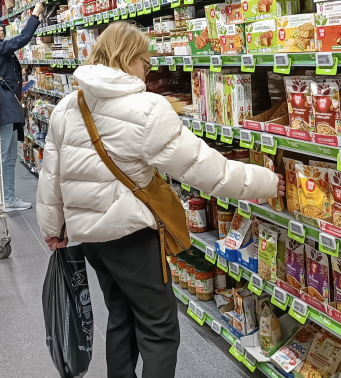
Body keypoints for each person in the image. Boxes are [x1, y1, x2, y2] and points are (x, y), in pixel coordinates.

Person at [36, 21, 285, 378]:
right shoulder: (146, 109)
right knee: (159, 328)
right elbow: (208, 170)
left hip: (91, 239)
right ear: (129, 58)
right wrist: (266, 180)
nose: (147, 70)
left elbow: (52, 176)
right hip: (133, 239)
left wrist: (53, 228)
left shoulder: (67, 105)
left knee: (120, 315)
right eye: (146, 62)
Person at [0, 3, 44, 212]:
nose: (0, 28)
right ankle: (1, 199)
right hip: (4, 108)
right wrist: (34, 16)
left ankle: (9, 197)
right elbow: (21, 40)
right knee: (4, 155)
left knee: (9, 155)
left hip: (7, 103)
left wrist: (17, 85)